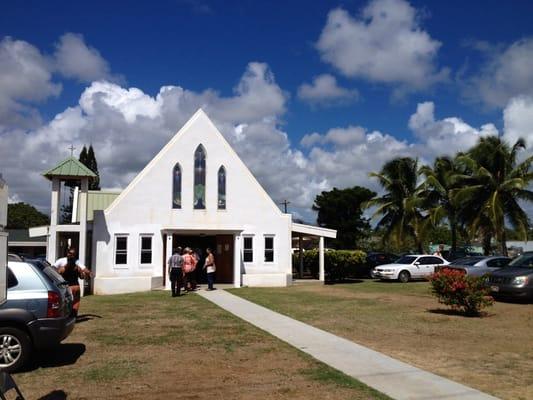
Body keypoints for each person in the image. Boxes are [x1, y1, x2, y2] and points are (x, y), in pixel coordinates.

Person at [54, 248, 91, 317]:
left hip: (67, 287)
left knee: (66, 304)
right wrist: (83, 273)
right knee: (76, 302)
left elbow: (55, 273)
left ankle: (67, 317)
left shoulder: (62, 267)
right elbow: (82, 277)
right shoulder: (78, 266)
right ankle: (74, 317)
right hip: (76, 287)